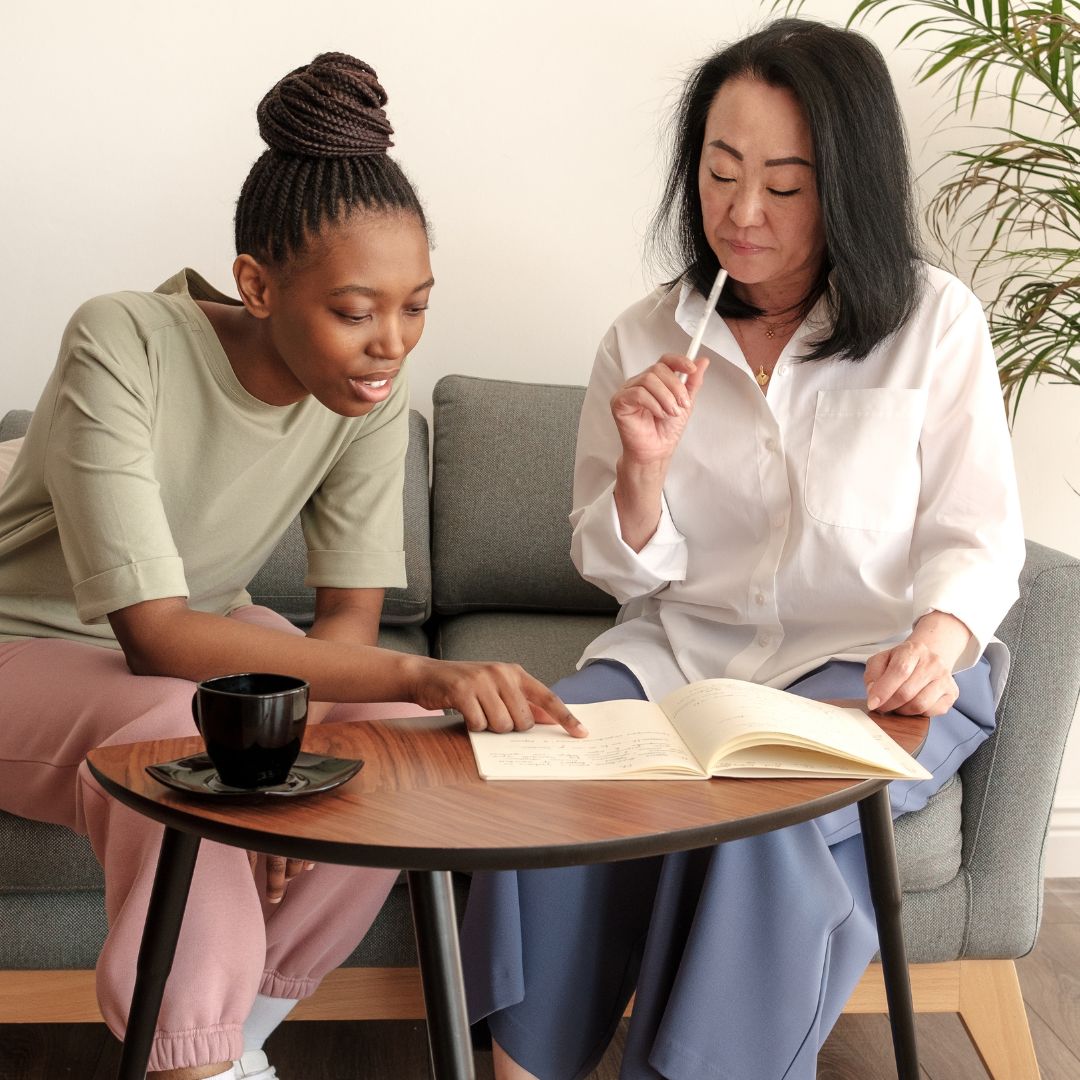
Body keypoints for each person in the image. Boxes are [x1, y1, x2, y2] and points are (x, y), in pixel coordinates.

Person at [460, 18, 1025, 1080]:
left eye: (784, 183)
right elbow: (617, 573)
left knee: (758, 826)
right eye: (720, 174)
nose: (742, 212)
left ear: (847, 183)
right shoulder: (644, 336)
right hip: (681, 663)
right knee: (554, 774)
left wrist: (940, 637)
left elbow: (978, 531)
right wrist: (641, 469)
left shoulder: (935, 323)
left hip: (874, 672)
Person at [0, 53, 582, 1080]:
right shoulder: (120, 340)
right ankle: (196, 1054)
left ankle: (227, 1050)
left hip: (199, 660)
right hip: (28, 647)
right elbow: (156, 636)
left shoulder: (369, 390)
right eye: (356, 311)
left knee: (400, 739)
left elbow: (349, 629)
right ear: (258, 284)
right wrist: (410, 674)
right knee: (185, 730)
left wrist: (298, 755)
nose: (389, 343)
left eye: (415, 308)